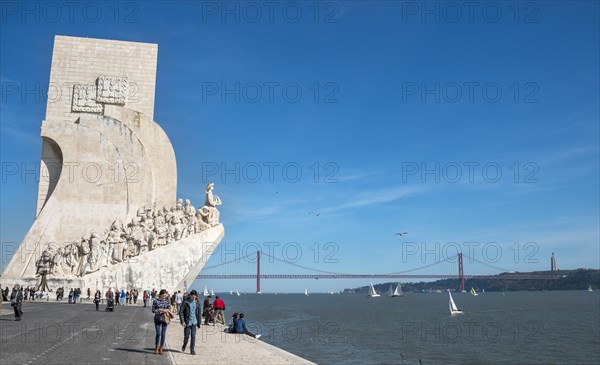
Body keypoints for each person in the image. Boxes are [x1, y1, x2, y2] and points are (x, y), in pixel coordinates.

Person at [179, 290, 201, 355]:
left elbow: (199, 313)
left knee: (193, 336)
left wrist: (199, 322)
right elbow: (181, 312)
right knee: (186, 336)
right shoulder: (185, 302)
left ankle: (192, 349)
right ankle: (184, 345)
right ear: (190, 295)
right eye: (193, 297)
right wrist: (182, 321)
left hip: (194, 322)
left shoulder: (197, 302)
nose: (194, 298)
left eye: (195, 297)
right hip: (187, 322)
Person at [152, 289, 173, 355]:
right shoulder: (155, 301)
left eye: (165, 295)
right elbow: (153, 310)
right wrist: (160, 310)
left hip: (165, 319)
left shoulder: (167, 301)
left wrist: (166, 310)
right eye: (163, 295)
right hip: (157, 319)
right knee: (158, 333)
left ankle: (161, 348)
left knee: (163, 334)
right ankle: (156, 347)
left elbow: (169, 309)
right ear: (160, 295)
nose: (164, 297)